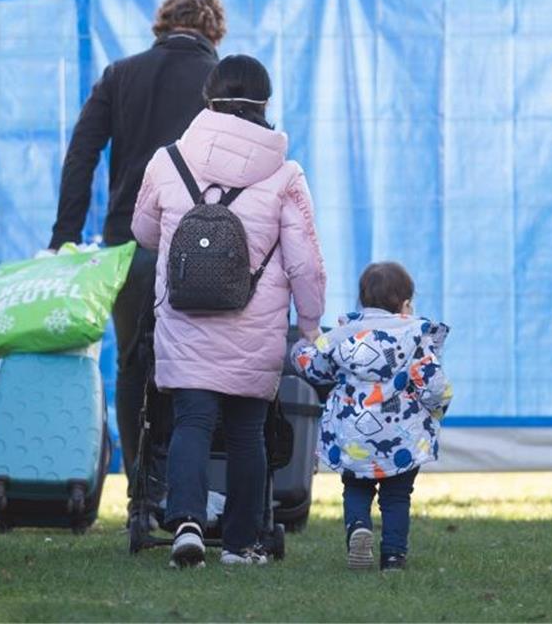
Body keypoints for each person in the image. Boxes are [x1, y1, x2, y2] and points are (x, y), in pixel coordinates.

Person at [131, 54, 327, 568]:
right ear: (265, 103)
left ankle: (188, 522)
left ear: (208, 99)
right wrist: (309, 325)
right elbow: (305, 260)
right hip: (255, 324)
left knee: (191, 420)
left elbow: (144, 232)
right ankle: (241, 544)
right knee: (246, 432)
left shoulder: (167, 161)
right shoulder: (286, 174)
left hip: (185, 320)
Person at [48, 0, 226, 502]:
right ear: (214, 33)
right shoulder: (220, 82)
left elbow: (81, 155)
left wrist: (65, 236)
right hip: (205, 246)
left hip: (128, 244)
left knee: (132, 363)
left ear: (162, 26)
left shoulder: (120, 74)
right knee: (197, 367)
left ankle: (139, 496)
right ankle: (191, 494)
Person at [292, 262, 452, 572]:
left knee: (355, 487)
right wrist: (437, 408)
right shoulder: (416, 337)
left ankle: (358, 528)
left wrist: (299, 346)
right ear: (405, 303)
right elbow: (434, 385)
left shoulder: (340, 337)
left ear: (362, 301)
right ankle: (393, 556)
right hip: (402, 438)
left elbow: (312, 366)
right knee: (397, 496)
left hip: (353, 435)